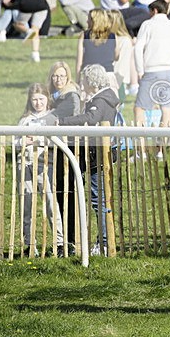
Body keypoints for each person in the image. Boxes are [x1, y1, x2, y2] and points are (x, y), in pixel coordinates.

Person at [57, 64, 121, 256]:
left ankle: (103, 243)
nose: (82, 83)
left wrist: (65, 121)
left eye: (84, 80)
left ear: (91, 81)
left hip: (97, 156)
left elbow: (92, 118)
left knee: (98, 200)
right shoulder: (104, 98)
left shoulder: (100, 101)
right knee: (100, 199)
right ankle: (103, 241)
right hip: (98, 155)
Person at [16, 83, 63, 254]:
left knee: (51, 203)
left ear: (47, 98)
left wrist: (40, 139)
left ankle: (59, 241)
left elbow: (57, 140)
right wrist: (24, 142)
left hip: (45, 164)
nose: (38, 103)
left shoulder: (52, 118)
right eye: (34, 100)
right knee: (26, 203)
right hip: (25, 164)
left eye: (41, 99)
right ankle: (30, 243)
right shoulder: (24, 120)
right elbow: (15, 142)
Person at [77, 8, 118, 83]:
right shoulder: (112, 35)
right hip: (107, 73)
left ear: (94, 21)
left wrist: (78, 80)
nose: (87, 21)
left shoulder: (84, 35)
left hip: (89, 74)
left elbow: (79, 61)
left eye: (89, 19)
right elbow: (116, 56)